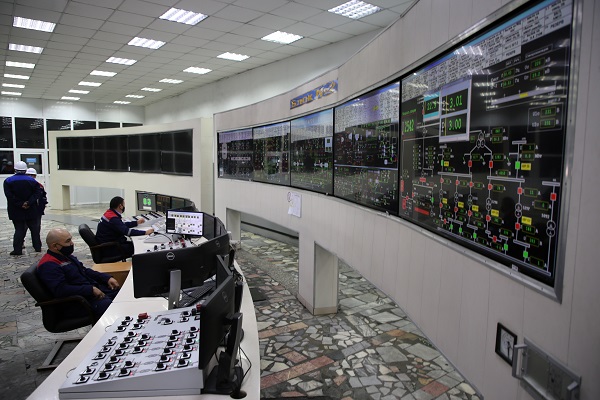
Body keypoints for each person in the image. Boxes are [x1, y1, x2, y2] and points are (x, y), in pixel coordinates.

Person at [37, 228, 120, 319]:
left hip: (89, 293)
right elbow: (61, 290)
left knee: (123, 294)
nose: (72, 243)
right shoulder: (48, 265)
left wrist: (106, 277)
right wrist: (90, 289)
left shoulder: (65, 256)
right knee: (112, 307)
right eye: (68, 241)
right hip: (78, 303)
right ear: (55, 246)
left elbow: (84, 271)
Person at [3, 161, 43, 255]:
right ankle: (37, 247)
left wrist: (20, 204)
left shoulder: (8, 181)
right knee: (34, 229)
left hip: (16, 209)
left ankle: (17, 250)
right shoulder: (32, 181)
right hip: (31, 208)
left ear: (15, 169)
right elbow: (37, 193)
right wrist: (29, 202)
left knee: (19, 229)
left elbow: (9, 196)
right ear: (25, 170)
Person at [26, 167, 48, 245]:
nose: (30, 177)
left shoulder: (39, 185)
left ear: (35, 176)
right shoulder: (24, 185)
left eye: (32, 175)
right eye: (28, 175)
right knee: (23, 228)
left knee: (36, 227)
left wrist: (42, 207)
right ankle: (22, 242)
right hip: (26, 209)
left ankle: (37, 244)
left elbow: (43, 197)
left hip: (37, 210)